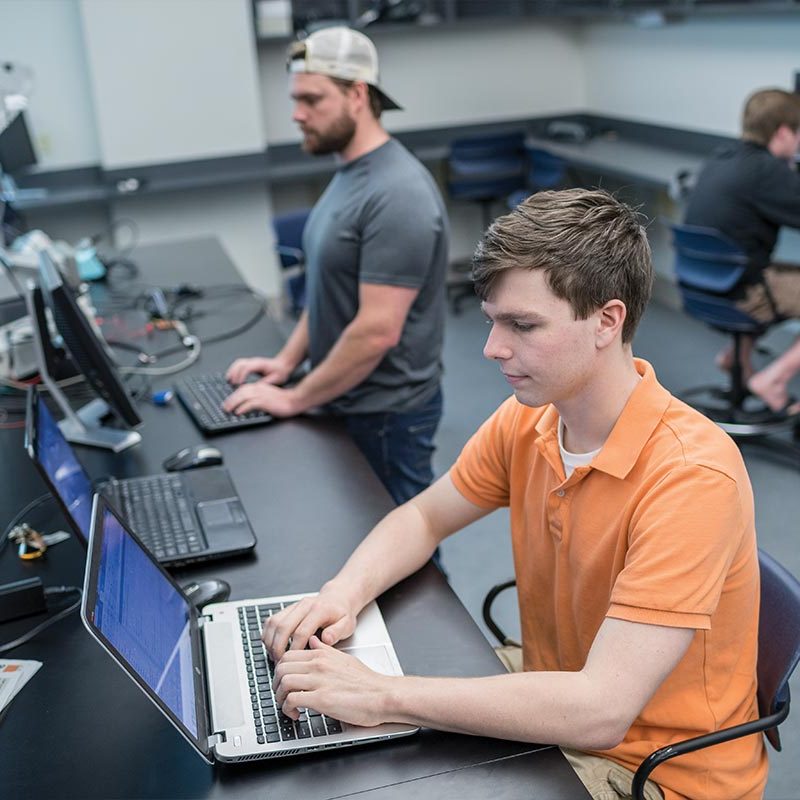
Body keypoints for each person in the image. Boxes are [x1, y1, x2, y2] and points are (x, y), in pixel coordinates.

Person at [261, 189, 767, 800]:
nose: (493, 348)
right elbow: (424, 517)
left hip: (655, 769)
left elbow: (601, 709)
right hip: (560, 697)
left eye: (522, 325)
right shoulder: (532, 419)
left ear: (607, 320)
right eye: (493, 320)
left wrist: (383, 695)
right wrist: (342, 594)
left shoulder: (690, 476)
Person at [224, 27, 448, 507]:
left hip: (386, 415)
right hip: (348, 396)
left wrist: (293, 397)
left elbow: (376, 331)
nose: (297, 114)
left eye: (312, 99)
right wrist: (286, 363)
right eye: (295, 99)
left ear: (357, 95)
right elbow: (330, 287)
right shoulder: (351, 173)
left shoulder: (397, 193)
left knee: (409, 565)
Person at [684, 87, 800, 415]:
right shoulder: (769, 172)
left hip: (698, 285)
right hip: (737, 292)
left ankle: (736, 358)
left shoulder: (721, 158)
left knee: (759, 264)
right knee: (764, 273)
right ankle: (773, 381)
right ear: (782, 132)